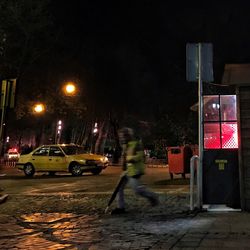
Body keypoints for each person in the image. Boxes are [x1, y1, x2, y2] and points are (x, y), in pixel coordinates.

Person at [111, 127, 159, 214]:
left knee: (137, 191)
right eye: (120, 136)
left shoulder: (136, 144)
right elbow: (124, 157)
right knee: (119, 188)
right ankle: (120, 207)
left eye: (123, 136)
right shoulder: (125, 145)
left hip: (135, 170)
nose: (121, 138)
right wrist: (123, 167)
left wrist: (130, 159)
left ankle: (152, 196)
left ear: (128, 136)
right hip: (127, 171)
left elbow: (140, 156)